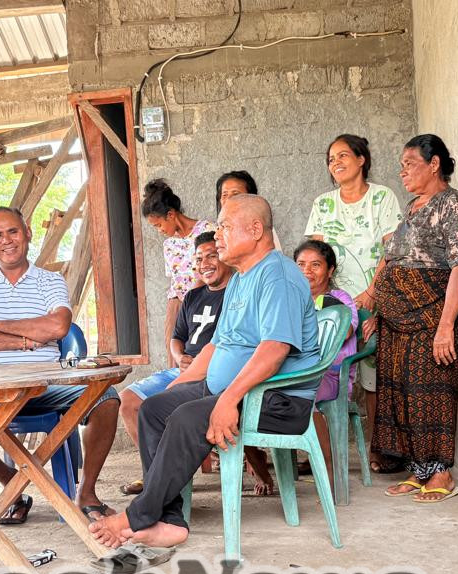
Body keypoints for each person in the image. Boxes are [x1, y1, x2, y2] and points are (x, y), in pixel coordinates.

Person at [89, 194, 320, 549]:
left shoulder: (278, 276)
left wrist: (228, 399)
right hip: (235, 390)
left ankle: (139, 515)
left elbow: (275, 352)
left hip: (276, 399)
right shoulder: (242, 277)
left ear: (256, 230)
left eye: (226, 226)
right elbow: (216, 347)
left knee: (185, 417)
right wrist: (176, 388)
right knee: (154, 409)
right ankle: (169, 522)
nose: (219, 235)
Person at [0, 207, 121, 522]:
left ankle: (87, 493)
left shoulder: (50, 280)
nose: (6, 241)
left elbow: (58, 328)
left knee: (107, 400)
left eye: (13, 231)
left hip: (47, 384)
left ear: (27, 234)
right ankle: (12, 482)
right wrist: (25, 339)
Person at [357, 134, 458, 503]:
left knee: (431, 394)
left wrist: (444, 327)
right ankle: (419, 469)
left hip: (427, 315)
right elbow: (390, 261)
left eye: (409, 163)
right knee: (401, 394)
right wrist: (377, 307)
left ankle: (440, 473)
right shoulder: (411, 208)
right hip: (396, 319)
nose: (402, 171)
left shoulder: (453, 204)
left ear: (434, 163)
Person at [304, 133, 403, 473]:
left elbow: (392, 251)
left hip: (375, 297)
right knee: (324, 370)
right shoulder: (323, 204)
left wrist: (372, 294)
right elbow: (316, 256)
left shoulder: (382, 198)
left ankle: (380, 448)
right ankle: (319, 451)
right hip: (333, 304)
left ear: (362, 159)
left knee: (374, 378)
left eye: (344, 155)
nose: (337, 163)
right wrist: (327, 299)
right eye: (331, 159)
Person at [119, 230, 231, 495]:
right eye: (199, 258)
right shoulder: (193, 296)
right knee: (128, 401)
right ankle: (156, 473)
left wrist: (195, 367)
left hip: (213, 372)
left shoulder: (237, 294)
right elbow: (176, 338)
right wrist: (180, 358)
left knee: (165, 407)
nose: (205, 264)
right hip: (183, 367)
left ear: (226, 257)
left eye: (212, 256)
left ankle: (164, 483)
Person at [293, 239, 359, 479]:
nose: (306, 271)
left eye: (315, 265)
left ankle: (328, 471)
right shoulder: (291, 299)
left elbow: (345, 332)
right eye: (300, 264)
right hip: (297, 372)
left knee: (302, 391)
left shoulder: (340, 299)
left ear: (330, 270)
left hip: (331, 376)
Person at [143, 179, 215, 353]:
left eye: (159, 225)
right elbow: (175, 282)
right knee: (175, 353)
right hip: (177, 305)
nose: (159, 230)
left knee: (199, 351)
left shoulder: (207, 229)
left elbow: (214, 269)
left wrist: (192, 298)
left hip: (203, 300)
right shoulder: (169, 244)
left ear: (171, 215)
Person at [216, 170, 281, 251]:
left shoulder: (261, 226)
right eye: (224, 195)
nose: (229, 199)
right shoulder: (219, 231)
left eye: (236, 194)